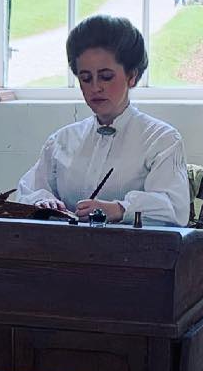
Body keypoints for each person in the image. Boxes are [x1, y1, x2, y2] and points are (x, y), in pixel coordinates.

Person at [14, 15, 190, 226]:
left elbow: (175, 208)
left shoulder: (161, 139)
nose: (95, 87)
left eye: (106, 77)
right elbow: (28, 190)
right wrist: (42, 201)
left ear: (132, 76)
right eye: (85, 78)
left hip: (132, 247)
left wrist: (119, 209)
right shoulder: (62, 140)